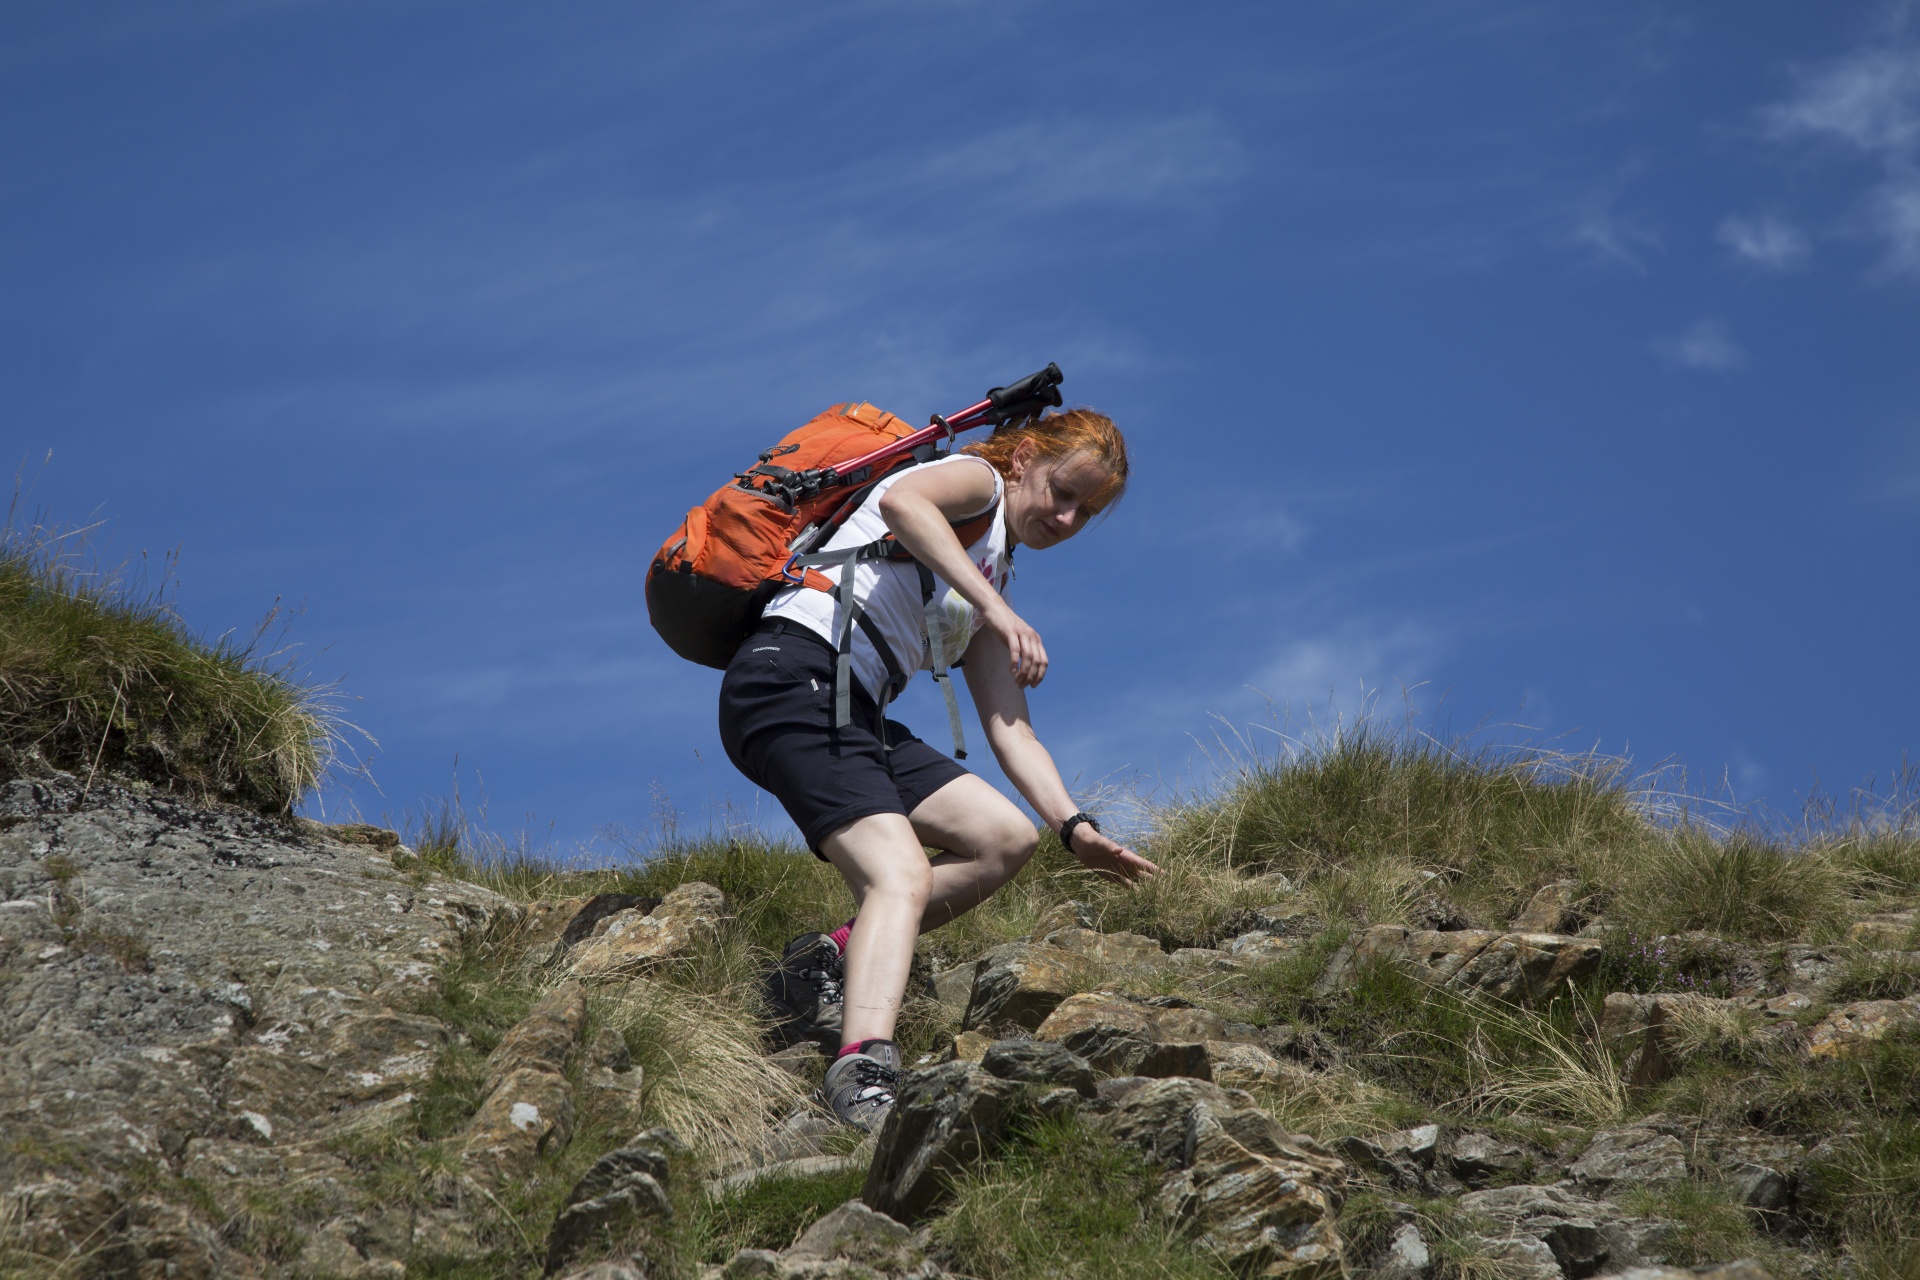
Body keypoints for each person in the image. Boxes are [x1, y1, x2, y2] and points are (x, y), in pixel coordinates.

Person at [716, 406, 1160, 1130]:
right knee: (901, 873)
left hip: (850, 707)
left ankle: (827, 961)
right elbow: (902, 501)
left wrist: (1075, 829)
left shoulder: (991, 572)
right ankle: (863, 1068)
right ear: (1022, 459)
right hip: (793, 677)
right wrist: (998, 610)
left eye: (1088, 511)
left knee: (1003, 839)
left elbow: (1010, 726)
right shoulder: (978, 483)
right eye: (1063, 491)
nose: (1070, 517)